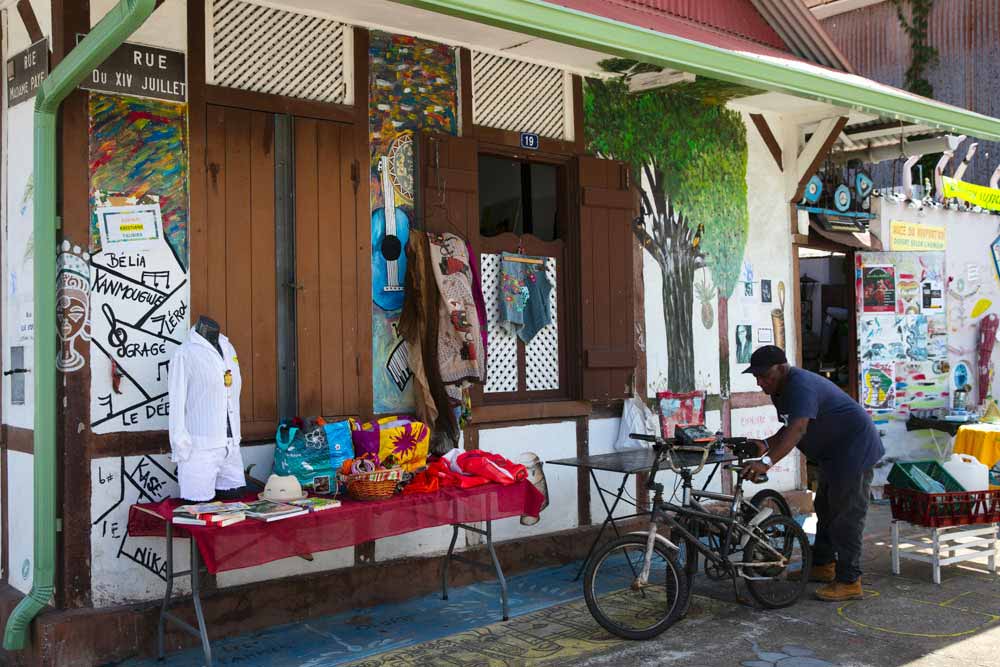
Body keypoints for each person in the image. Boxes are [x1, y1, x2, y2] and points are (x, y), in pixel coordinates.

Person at [740, 345, 884, 602]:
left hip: (855, 451)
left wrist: (766, 462)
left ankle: (850, 581)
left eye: (764, 376)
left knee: (847, 516)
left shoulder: (800, 386)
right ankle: (823, 565)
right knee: (825, 509)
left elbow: (798, 430)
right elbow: (788, 427)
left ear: (781, 368)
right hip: (833, 455)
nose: (760, 382)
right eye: (756, 377)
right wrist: (764, 444)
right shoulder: (779, 389)